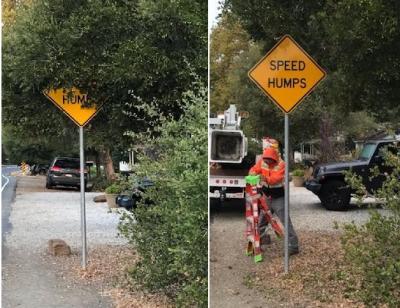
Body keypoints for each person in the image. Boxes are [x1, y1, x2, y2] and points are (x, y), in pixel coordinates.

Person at [249, 146, 299, 255]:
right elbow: (253, 169)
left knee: (285, 221)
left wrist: (263, 178)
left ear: (273, 159)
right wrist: (252, 174)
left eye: (268, 160)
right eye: (265, 159)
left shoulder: (281, 165)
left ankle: (294, 246)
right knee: (262, 221)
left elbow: (275, 179)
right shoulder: (263, 161)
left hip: (278, 197)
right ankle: (257, 245)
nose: (266, 161)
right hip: (266, 196)